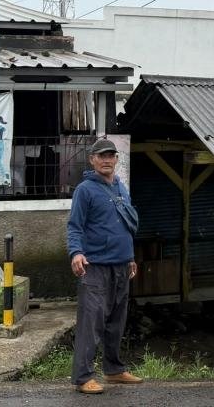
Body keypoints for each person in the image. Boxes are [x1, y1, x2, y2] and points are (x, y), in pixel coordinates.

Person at [67, 138, 142, 394]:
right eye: (102, 156)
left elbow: (124, 226)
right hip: (96, 266)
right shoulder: (85, 190)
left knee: (116, 321)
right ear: (92, 160)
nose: (107, 160)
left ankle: (113, 369)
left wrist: (130, 256)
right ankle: (83, 377)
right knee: (92, 322)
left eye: (111, 156)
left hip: (121, 266)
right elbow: (74, 226)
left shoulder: (121, 188)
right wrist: (76, 252)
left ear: (116, 160)